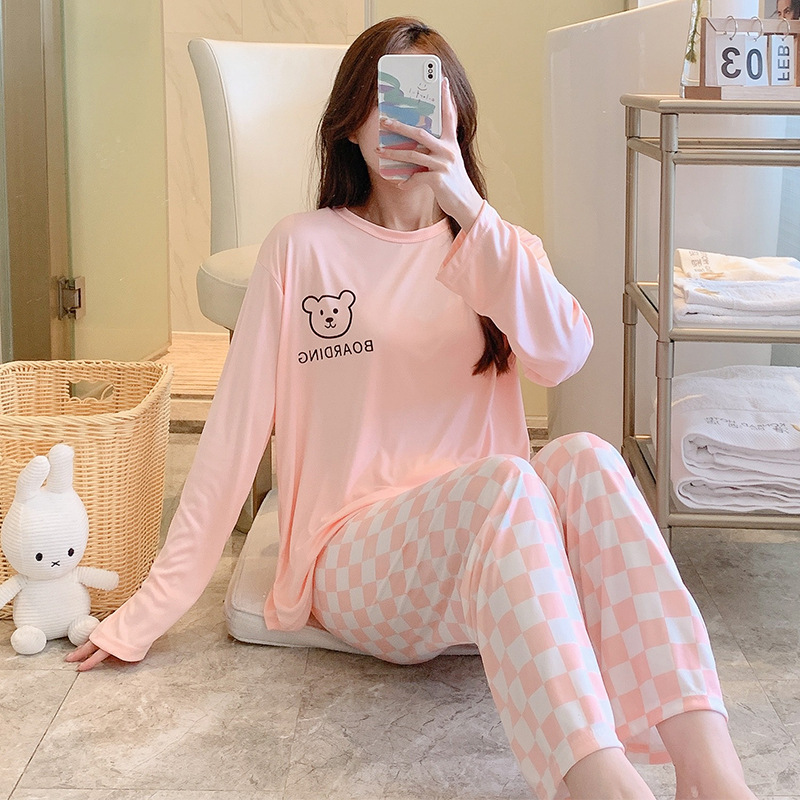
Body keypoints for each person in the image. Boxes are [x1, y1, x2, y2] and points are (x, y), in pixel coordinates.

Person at [68, 17, 758, 800]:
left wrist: (470, 211)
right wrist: (150, 609)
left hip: (493, 550)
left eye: (424, 98)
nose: (403, 120)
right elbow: (232, 436)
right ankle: (604, 788)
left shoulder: (499, 247)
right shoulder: (301, 248)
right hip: (353, 552)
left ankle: (712, 773)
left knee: (590, 459)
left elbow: (564, 355)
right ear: (348, 125)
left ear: (456, 116)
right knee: (509, 481)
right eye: (383, 98)